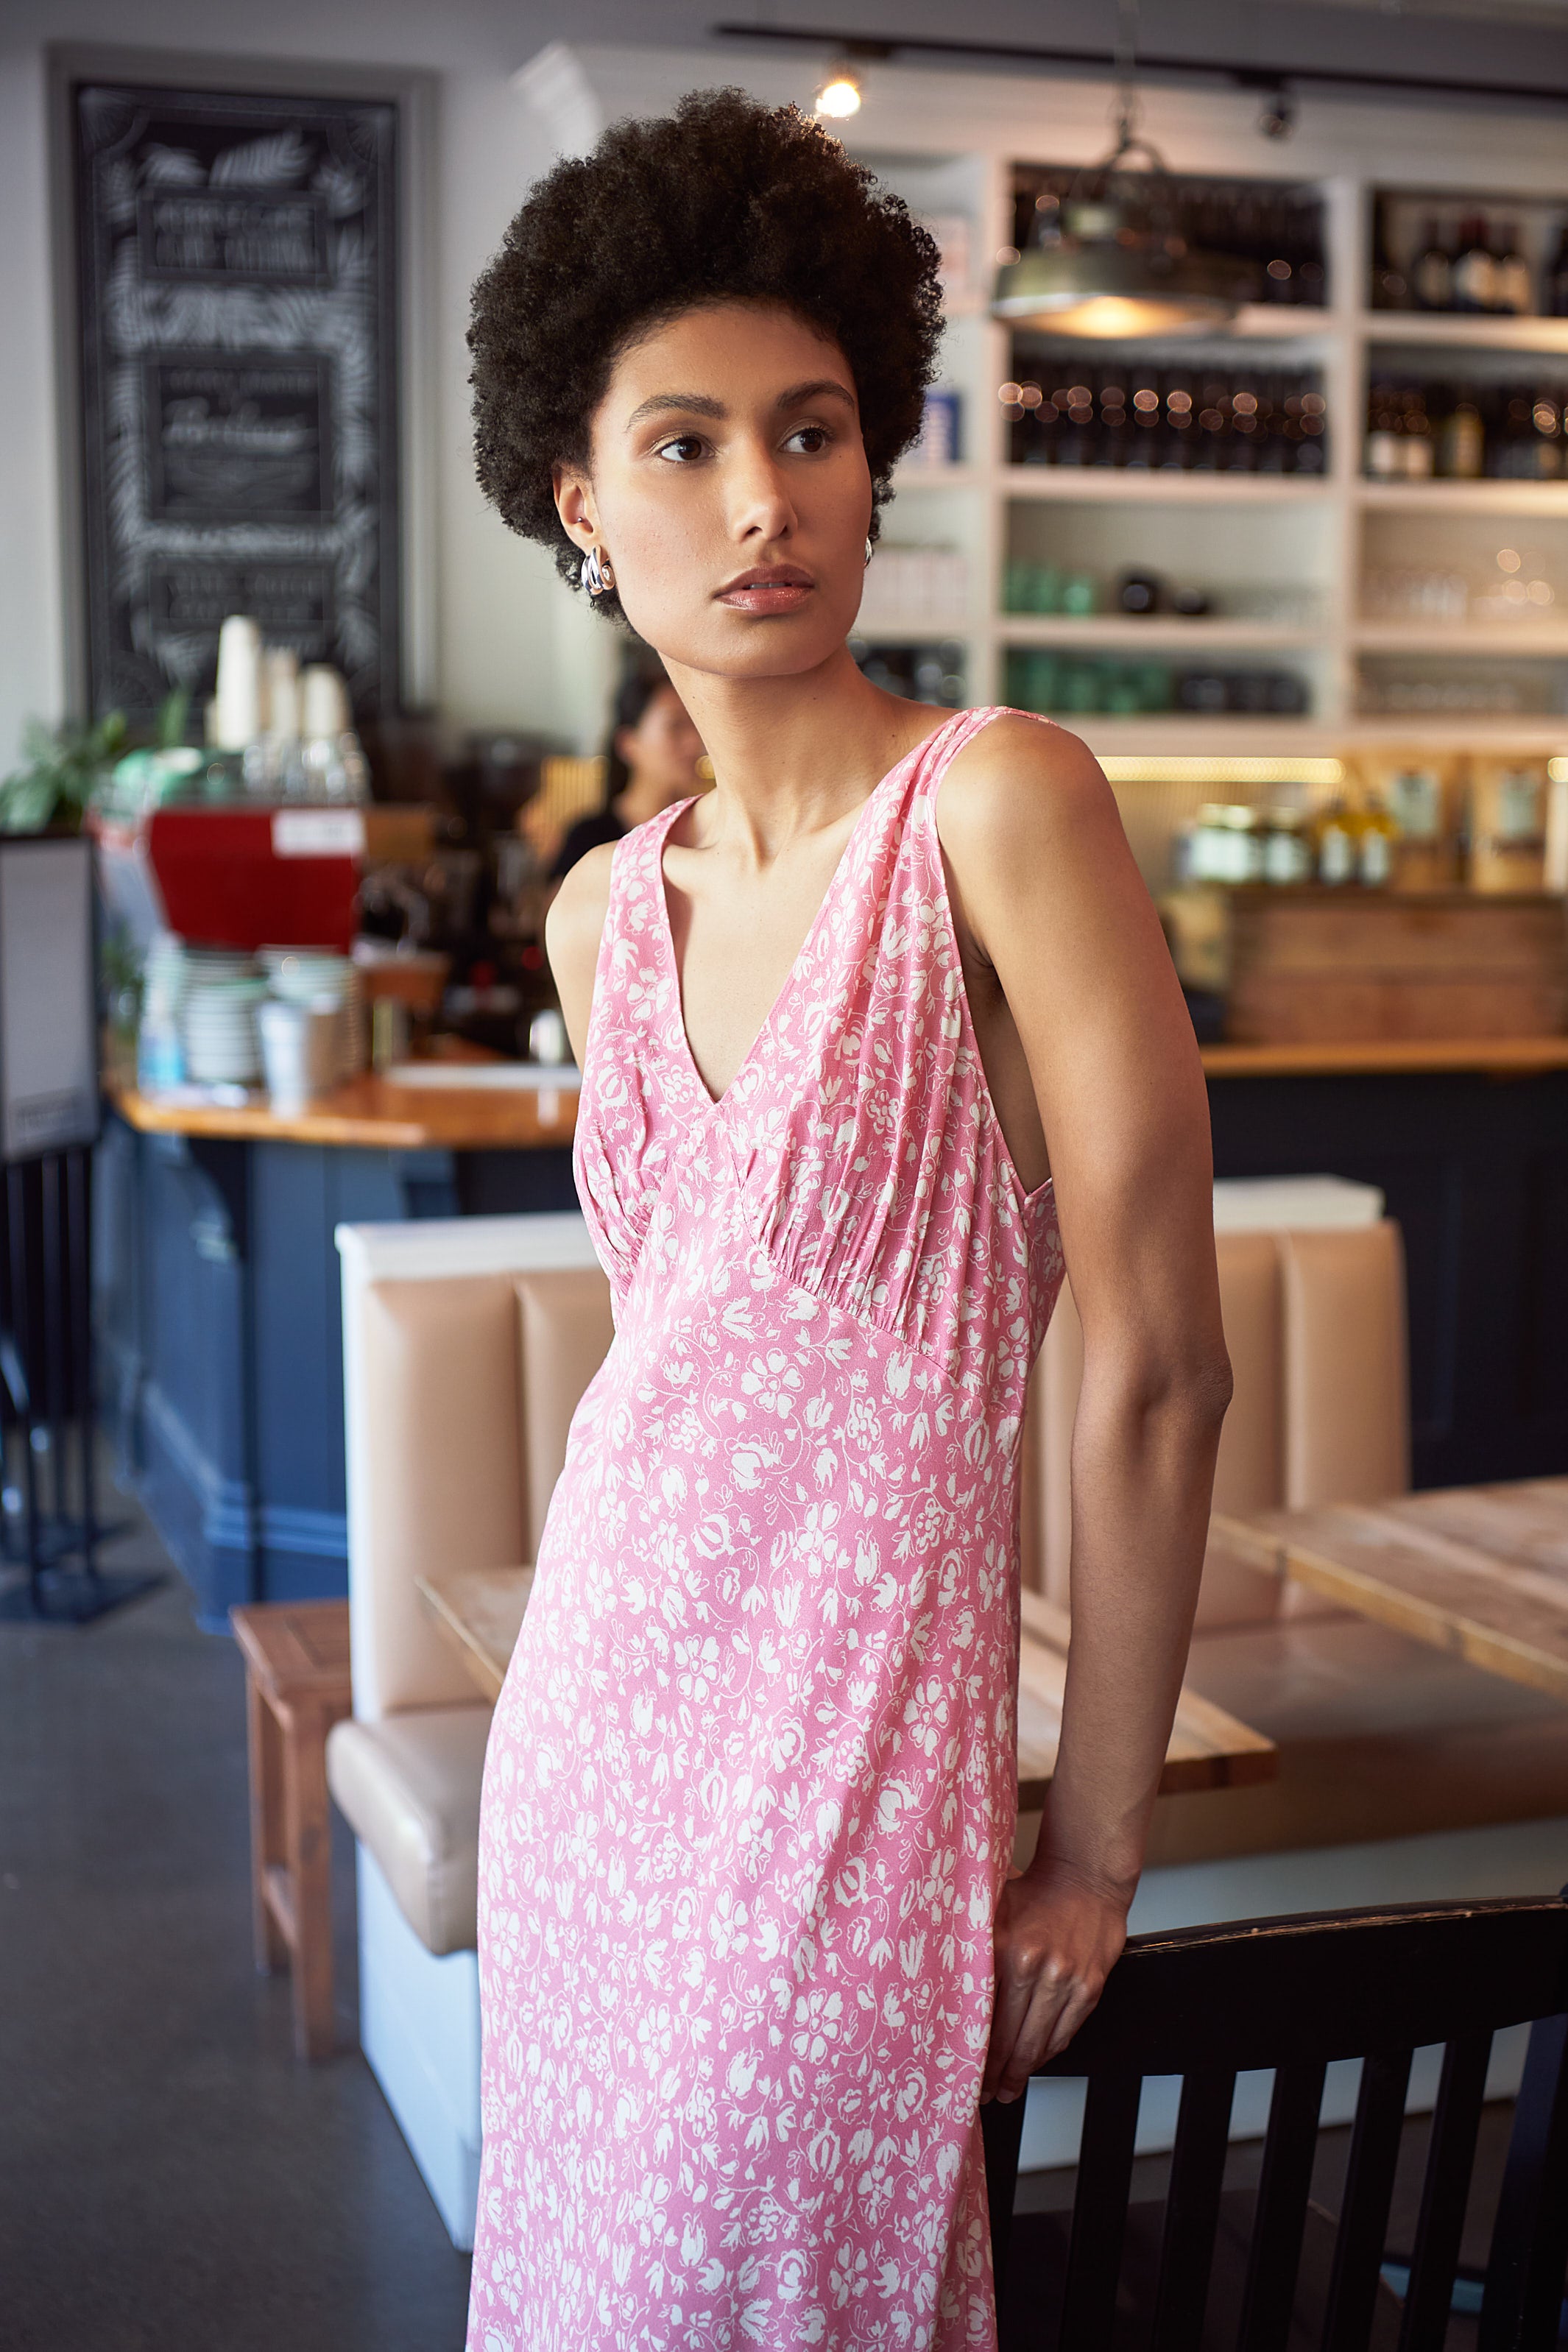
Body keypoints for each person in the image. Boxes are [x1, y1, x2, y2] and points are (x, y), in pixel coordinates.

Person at [465, 89, 1232, 2352]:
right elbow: (677, 1361)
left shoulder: (995, 808)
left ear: (872, 457)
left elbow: (1161, 1364)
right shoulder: (600, 910)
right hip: (592, 1737)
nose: (762, 496)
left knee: (786, 2289)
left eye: (807, 431)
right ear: (581, 503)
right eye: (684, 444)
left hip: (848, 1779)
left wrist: (1089, 1846)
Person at [551, 661, 707, 881]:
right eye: (676, 727)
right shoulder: (591, 840)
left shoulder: (708, 833)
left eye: (696, 725)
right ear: (628, 744)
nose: (695, 742)